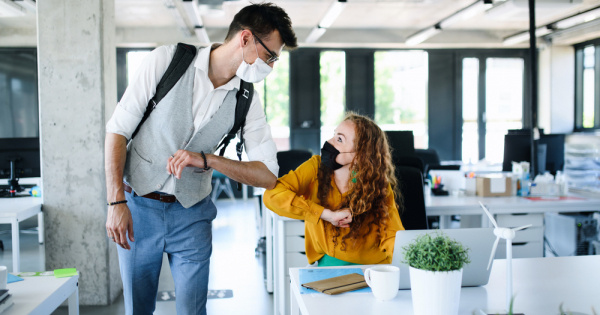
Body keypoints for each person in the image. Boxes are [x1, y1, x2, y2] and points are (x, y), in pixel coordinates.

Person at [104, 3, 297, 314]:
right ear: (246, 38)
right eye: (270, 56)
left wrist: (209, 160)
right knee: (138, 309)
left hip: (192, 214)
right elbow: (117, 131)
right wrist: (115, 202)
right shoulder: (167, 60)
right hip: (138, 207)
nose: (271, 66)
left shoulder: (248, 100)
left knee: (194, 310)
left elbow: (267, 176)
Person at [263, 113, 405, 267]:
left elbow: (391, 235)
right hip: (330, 264)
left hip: (374, 267)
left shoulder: (377, 182)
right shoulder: (315, 168)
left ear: (359, 155)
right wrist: (326, 214)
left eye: (339, 139)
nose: (329, 142)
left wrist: (409, 262)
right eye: (334, 135)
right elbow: (272, 195)